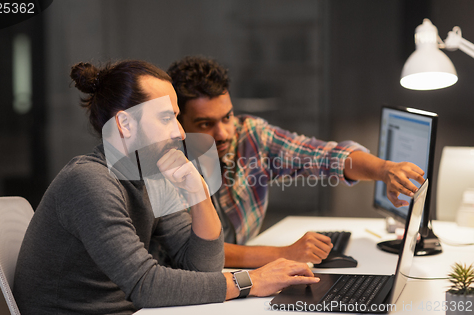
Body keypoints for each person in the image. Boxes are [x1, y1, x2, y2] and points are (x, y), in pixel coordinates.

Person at [12, 60, 321, 314]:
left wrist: (199, 196)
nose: (179, 132)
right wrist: (250, 281)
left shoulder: (152, 174)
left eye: (175, 117)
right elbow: (145, 284)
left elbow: (203, 267)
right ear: (125, 124)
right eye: (165, 118)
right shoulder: (89, 182)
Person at [167, 56, 426, 269]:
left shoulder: (251, 135)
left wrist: (384, 170)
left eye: (227, 117)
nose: (223, 133)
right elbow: (197, 252)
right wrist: (285, 253)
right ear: (179, 122)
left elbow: (324, 156)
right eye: (205, 124)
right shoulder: (167, 166)